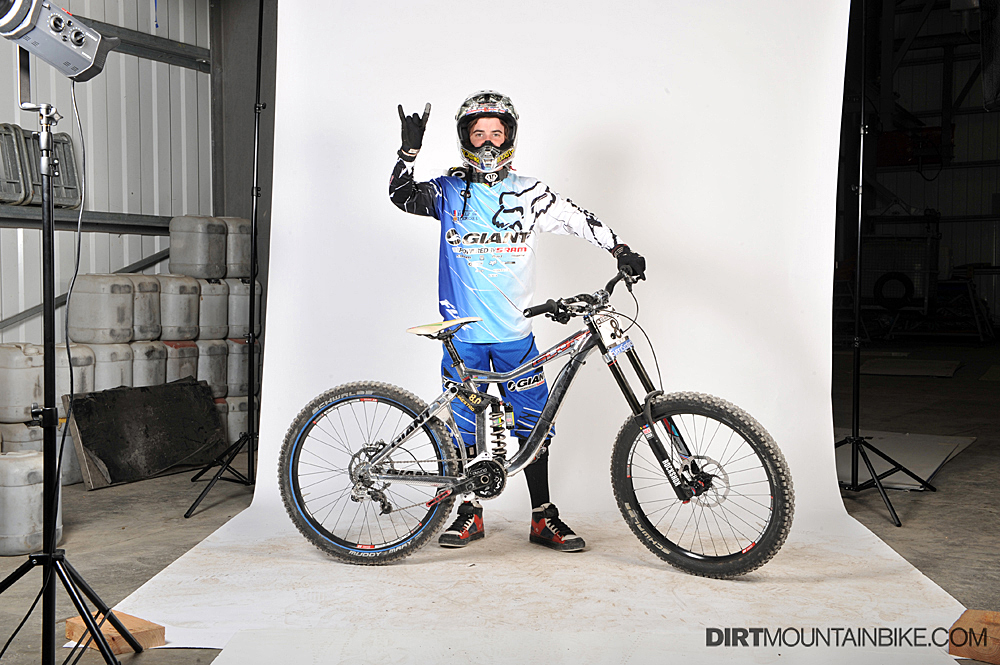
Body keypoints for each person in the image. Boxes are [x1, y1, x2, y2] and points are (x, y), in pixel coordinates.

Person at [389, 90, 646, 552]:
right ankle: (469, 512)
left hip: (515, 336)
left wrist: (620, 248)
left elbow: (578, 219)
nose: (488, 143)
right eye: (478, 134)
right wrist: (408, 153)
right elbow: (400, 196)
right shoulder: (447, 191)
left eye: (496, 133)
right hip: (463, 336)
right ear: (465, 139)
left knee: (534, 424)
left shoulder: (530, 193)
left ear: (510, 137)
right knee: (466, 426)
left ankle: (543, 517)